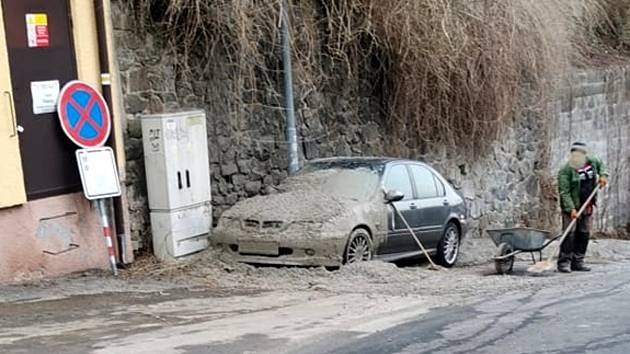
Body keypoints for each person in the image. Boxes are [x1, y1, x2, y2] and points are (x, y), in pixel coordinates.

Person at [557, 142, 608, 273]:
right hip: (572, 205)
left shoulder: (592, 161)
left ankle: (578, 261)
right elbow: (564, 192)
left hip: (587, 203)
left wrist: (603, 176)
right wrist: (571, 209)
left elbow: (602, 165)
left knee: (583, 233)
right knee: (570, 234)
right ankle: (564, 262)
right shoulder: (565, 170)